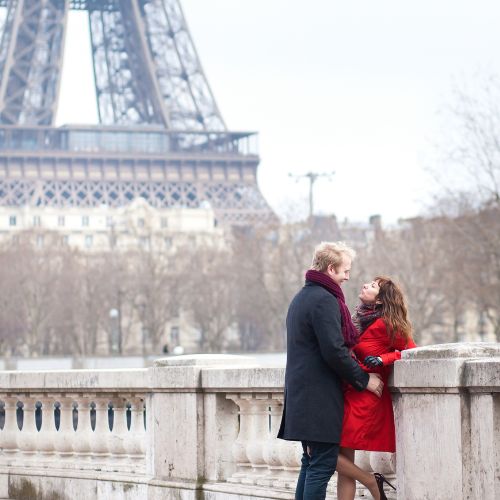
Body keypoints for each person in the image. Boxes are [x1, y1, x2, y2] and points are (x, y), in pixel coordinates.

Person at [277, 242, 384, 500]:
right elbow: (334, 351)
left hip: (304, 394)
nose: (348, 276)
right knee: (321, 466)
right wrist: (363, 380)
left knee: (311, 463)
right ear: (331, 268)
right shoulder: (324, 300)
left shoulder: (302, 297)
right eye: (345, 270)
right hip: (318, 397)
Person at [335, 276, 417, 500]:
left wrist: (383, 359)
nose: (364, 285)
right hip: (350, 390)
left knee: (325, 452)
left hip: (366, 397)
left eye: (372, 286)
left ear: (380, 300)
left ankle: (372, 482)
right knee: (343, 463)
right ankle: (372, 481)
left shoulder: (389, 324)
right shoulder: (356, 320)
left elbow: (411, 352)